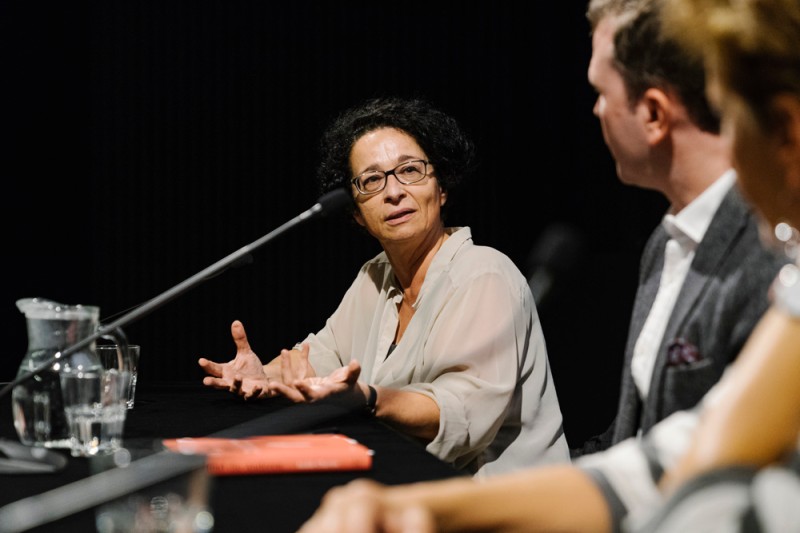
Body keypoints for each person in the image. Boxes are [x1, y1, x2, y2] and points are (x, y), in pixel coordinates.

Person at [294, 2, 797, 531]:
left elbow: (708, 470)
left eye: (725, 109)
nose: (595, 112)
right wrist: (408, 509)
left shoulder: (768, 257)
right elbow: (663, 460)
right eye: (371, 182)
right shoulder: (667, 245)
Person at [198, 96, 570, 477]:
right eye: (372, 180)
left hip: (504, 507)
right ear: (357, 213)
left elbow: (462, 416)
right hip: (409, 490)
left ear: (441, 188)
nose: (393, 192)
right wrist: (265, 375)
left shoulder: (485, 273)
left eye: (410, 170)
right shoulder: (374, 277)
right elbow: (320, 360)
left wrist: (367, 399)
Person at [574, 0, 788, 457]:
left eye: (601, 92)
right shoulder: (664, 241)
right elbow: (643, 446)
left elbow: (717, 460)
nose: (596, 110)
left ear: (653, 113)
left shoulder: (772, 247)